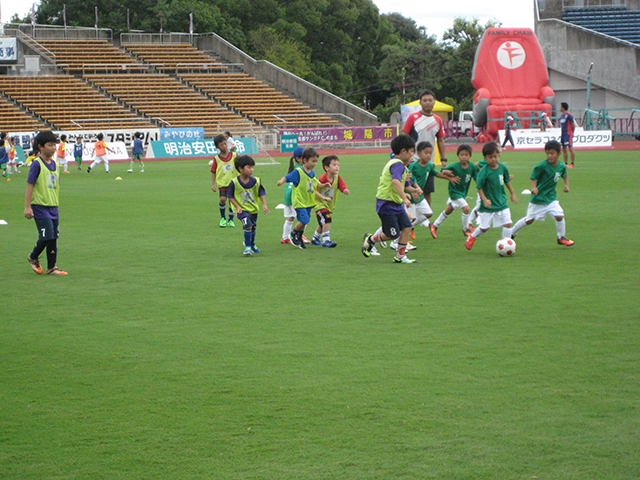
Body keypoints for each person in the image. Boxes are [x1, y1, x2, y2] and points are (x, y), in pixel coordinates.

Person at [361, 134, 417, 264]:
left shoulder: (401, 166)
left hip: (395, 203)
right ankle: (371, 239)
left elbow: (401, 184)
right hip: (386, 204)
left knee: (407, 227)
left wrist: (409, 192)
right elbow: (396, 182)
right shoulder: (397, 164)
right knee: (392, 234)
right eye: (411, 152)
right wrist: (404, 198)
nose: (412, 155)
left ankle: (400, 256)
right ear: (403, 151)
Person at [511, 140, 575, 246]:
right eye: (547, 153)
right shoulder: (541, 166)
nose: (549, 156)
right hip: (538, 199)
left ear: (558, 154)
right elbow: (533, 177)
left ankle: (561, 237)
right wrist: (534, 187)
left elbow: (565, 174)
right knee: (529, 220)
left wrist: (566, 185)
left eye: (552, 153)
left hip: (551, 198)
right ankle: (512, 233)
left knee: (559, 216)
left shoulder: (561, 166)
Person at [398, 140, 458, 247]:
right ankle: (402, 240)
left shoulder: (430, 166)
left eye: (430, 153)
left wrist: (449, 178)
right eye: (426, 153)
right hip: (411, 194)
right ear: (419, 153)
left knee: (428, 213)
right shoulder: (413, 166)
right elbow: (409, 179)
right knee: (410, 218)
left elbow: (435, 173)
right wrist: (414, 190)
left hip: (419, 195)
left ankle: (410, 227)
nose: (429, 155)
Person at [25, 130, 68, 275]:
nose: (53, 148)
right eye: (50, 145)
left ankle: (52, 267)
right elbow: (30, 185)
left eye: (54, 145)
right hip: (40, 206)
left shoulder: (55, 164)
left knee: (54, 236)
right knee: (47, 235)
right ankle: (33, 256)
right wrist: (27, 207)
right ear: (41, 146)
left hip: (53, 206)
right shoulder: (37, 164)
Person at [465, 142, 518, 250]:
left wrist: (512, 193)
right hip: (488, 204)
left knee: (507, 223)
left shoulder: (502, 167)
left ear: (498, 155)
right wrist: (484, 199)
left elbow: (507, 181)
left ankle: (506, 245)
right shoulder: (484, 172)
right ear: (485, 158)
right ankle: (472, 236)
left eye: (495, 156)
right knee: (484, 227)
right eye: (490, 157)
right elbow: (479, 187)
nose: (493, 159)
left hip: (501, 201)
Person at [276, 147, 330, 249]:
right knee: (304, 220)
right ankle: (293, 233)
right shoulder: (298, 172)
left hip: (308, 201)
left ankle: (299, 238)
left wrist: (323, 185)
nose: (315, 164)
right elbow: (287, 177)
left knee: (306, 220)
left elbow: (314, 183)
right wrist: (281, 181)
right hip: (300, 202)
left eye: (316, 161)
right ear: (304, 160)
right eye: (313, 161)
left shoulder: (312, 173)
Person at [402, 89, 447, 204]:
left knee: (427, 190)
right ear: (420, 103)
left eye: (430, 100)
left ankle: (426, 218)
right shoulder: (413, 117)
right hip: (413, 161)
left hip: (428, 162)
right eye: (425, 100)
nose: (427, 102)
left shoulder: (437, 120)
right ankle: (408, 215)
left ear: (434, 102)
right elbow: (404, 136)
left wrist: (443, 158)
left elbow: (441, 140)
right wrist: (405, 156)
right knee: (410, 188)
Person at [431, 144, 480, 237]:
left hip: (462, 193)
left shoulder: (472, 167)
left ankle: (435, 225)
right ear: (458, 155)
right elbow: (442, 170)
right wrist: (446, 172)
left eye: (466, 155)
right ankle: (466, 229)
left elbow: (477, 178)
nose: (464, 157)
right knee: (466, 209)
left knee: (449, 209)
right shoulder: (455, 166)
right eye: (462, 154)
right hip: (454, 192)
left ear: (470, 156)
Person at [227, 155, 269, 256]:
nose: (251, 170)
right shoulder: (234, 182)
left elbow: (260, 193)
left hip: (253, 209)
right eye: (249, 167)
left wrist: (264, 204)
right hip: (242, 210)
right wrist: (237, 206)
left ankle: (252, 244)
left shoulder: (256, 181)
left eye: (252, 167)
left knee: (253, 227)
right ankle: (247, 247)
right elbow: (230, 196)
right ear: (241, 169)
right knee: (248, 225)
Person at [311, 155, 350, 248]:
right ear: (326, 168)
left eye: (338, 165)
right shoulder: (322, 179)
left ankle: (315, 238)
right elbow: (314, 191)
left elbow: (342, 186)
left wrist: (345, 190)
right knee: (327, 219)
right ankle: (326, 240)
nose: (337, 167)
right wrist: (323, 198)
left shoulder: (337, 177)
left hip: (329, 205)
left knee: (322, 222)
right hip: (319, 204)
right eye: (334, 165)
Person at [211, 133, 238, 227]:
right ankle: (223, 218)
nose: (224, 146)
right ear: (217, 147)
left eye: (225, 143)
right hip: (222, 182)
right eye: (221, 145)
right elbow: (213, 171)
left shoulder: (234, 155)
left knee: (232, 201)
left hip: (233, 182)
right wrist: (213, 184)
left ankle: (231, 220)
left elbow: (240, 166)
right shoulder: (217, 158)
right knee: (222, 199)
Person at [281, 147, 305, 244]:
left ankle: (285, 237)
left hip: (290, 197)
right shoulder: (300, 170)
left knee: (291, 217)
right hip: (295, 198)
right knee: (303, 217)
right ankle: (299, 235)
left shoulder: (296, 169)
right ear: (299, 159)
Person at [559, 102, 578, 168]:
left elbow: (573, 125)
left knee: (570, 147)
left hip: (568, 133)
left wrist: (572, 133)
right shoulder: (561, 116)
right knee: (564, 148)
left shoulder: (569, 115)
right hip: (563, 134)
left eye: (560, 106)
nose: (559, 108)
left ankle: (572, 163)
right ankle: (565, 163)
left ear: (563, 107)